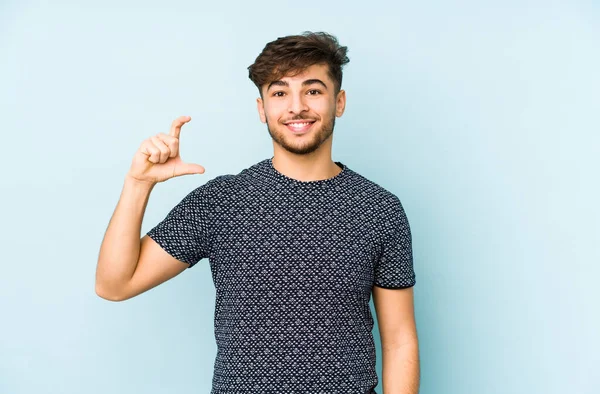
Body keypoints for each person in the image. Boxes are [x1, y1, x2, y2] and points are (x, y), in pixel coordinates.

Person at [96, 31, 419, 394]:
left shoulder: (379, 209)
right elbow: (114, 285)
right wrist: (139, 184)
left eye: (313, 90)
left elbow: (399, 340)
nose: (297, 107)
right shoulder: (221, 201)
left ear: (338, 102)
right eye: (280, 93)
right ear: (262, 108)